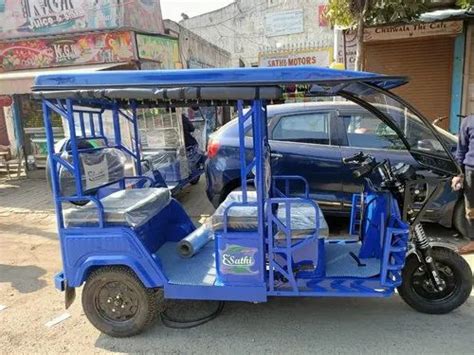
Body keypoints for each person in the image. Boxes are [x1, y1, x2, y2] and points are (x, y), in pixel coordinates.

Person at [452, 114, 474, 254]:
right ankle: (473, 241)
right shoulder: (468, 121)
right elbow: (461, 150)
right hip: (471, 171)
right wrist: (458, 174)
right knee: (471, 208)